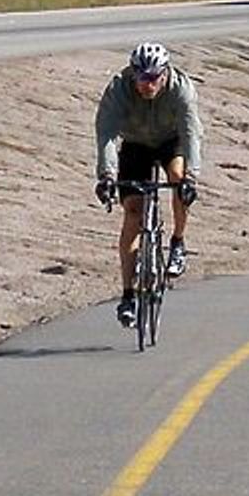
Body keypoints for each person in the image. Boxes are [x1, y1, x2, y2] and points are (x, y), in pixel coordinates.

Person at [94, 42, 203, 327]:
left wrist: (192, 177)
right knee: (133, 212)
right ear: (133, 74)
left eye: (154, 78)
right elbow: (106, 135)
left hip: (171, 141)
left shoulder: (181, 89)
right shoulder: (119, 89)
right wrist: (106, 176)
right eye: (142, 78)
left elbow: (191, 134)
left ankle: (178, 242)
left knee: (178, 180)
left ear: (165, 74)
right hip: (135, 145)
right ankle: (128, 294)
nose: (148, 84)